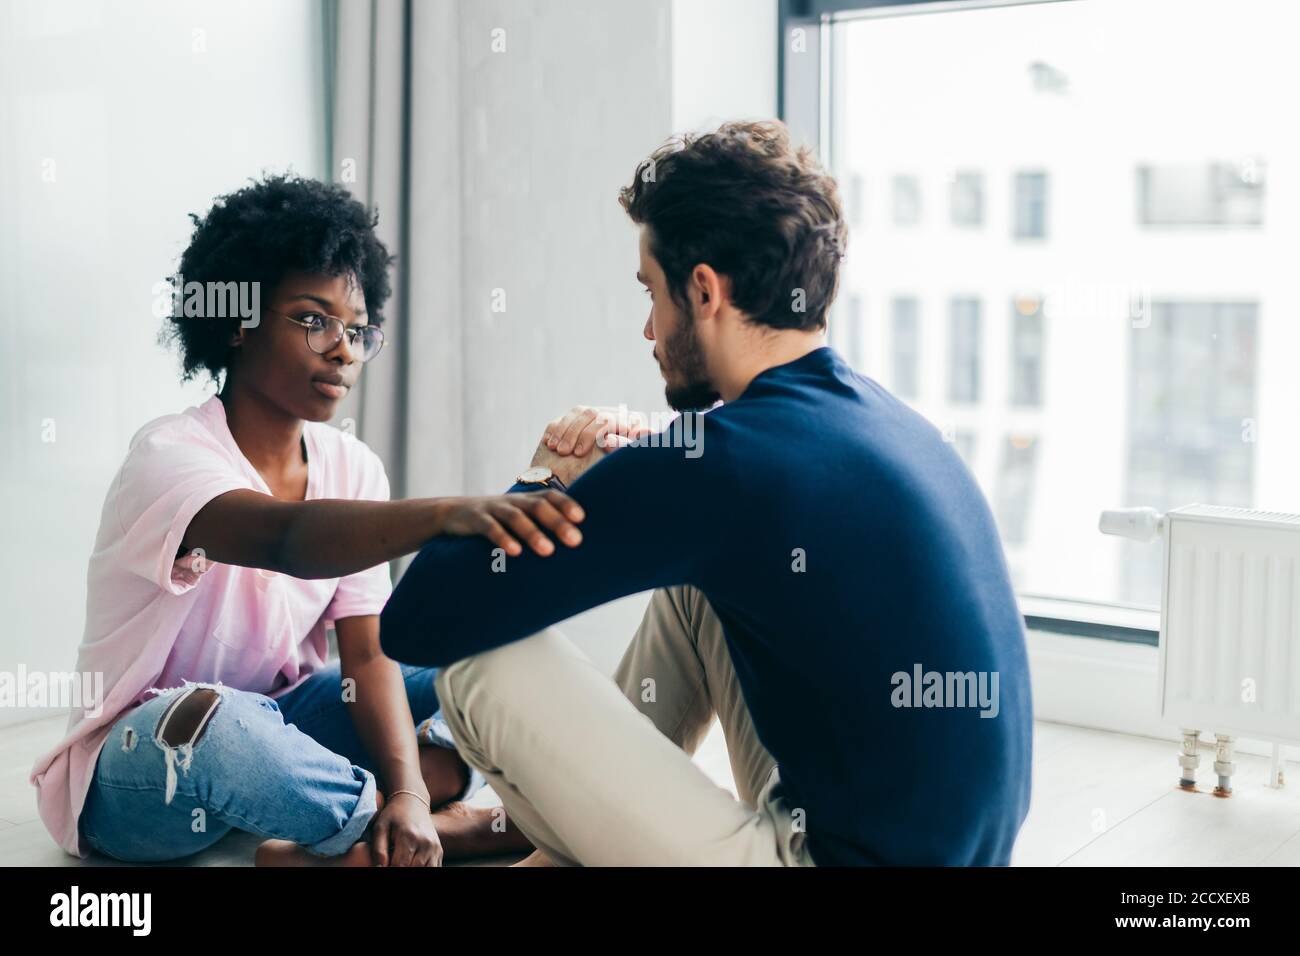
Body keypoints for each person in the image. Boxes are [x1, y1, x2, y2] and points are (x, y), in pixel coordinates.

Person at [379, 121, 1034, 866]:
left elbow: (418, 622)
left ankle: (553, 842)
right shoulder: (886, 421)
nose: (648, 329)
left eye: (651, 293)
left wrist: (544, 477)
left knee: (477, 662)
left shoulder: (723, 462)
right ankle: (554, 842)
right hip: (928, 844)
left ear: (703, 290)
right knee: (697, 592)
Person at [29, 175, 582, 866]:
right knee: (216, 726)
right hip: (144, 769)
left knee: (468, 662)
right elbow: (288, 539)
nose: (343, 350)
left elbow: (367, 653)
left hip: (285, 718)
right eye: (313, 319)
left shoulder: (352, 465)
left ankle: (380, 825)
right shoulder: (167, 457)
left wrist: (408, 791)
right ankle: (394, 828)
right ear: (237, 320)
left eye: (356, 330)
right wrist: (447, 513)